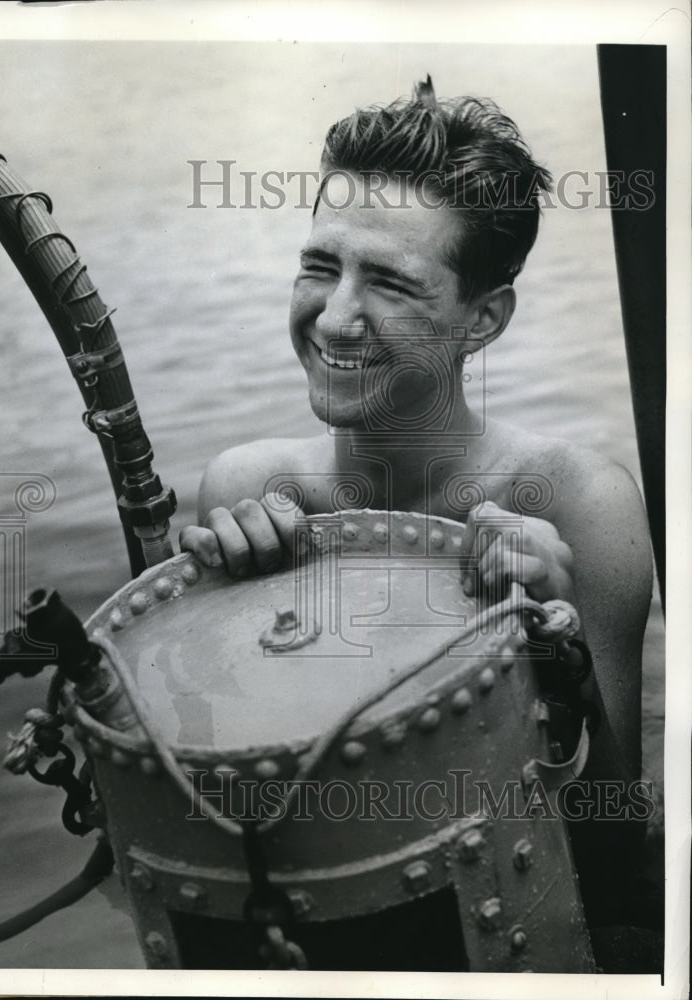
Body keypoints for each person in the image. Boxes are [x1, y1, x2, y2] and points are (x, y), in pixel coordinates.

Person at [178, 76, 657, 968]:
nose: (335, 317)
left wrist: (561, 659)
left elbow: (614, 857)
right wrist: (204, 634)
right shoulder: (249, 488)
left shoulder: (574, 503)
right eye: (320, 266)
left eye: (392, 284)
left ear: (484, 319)